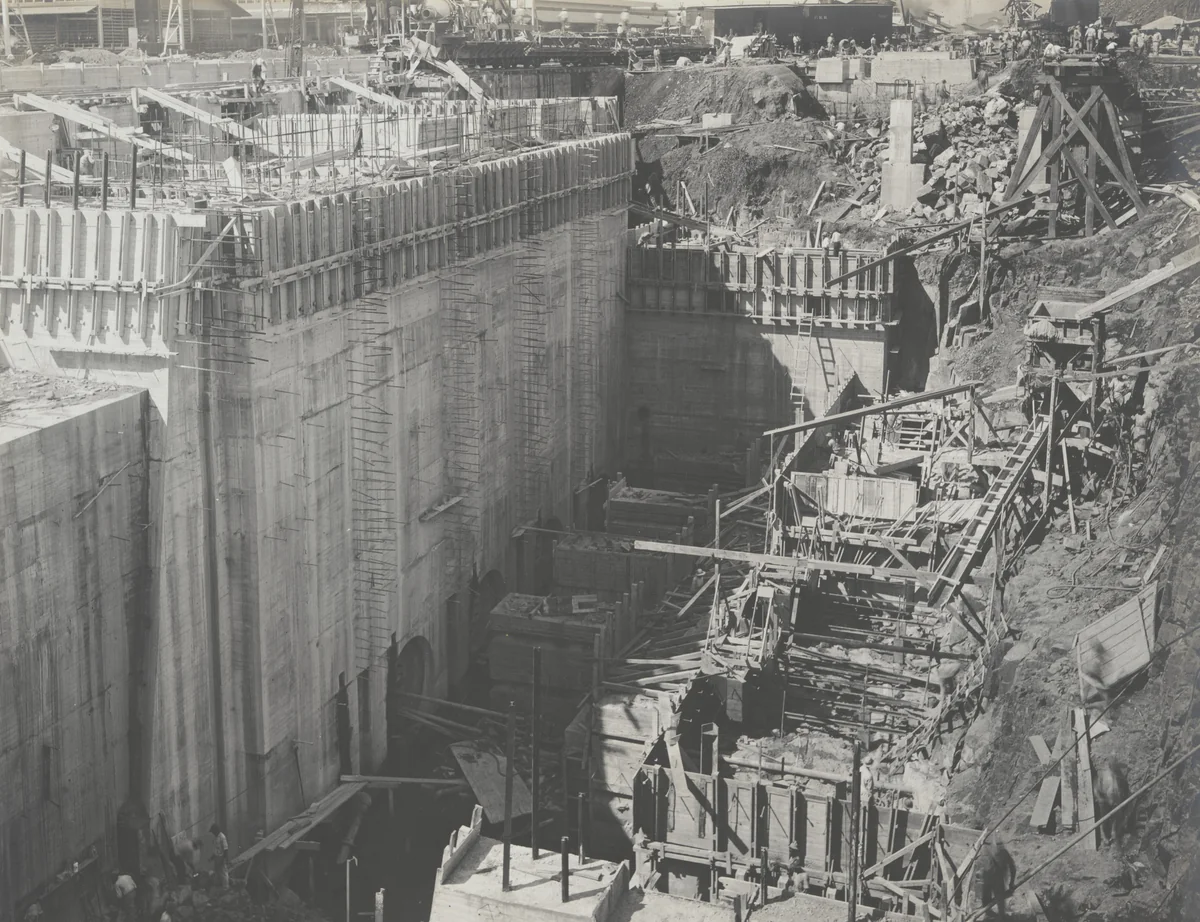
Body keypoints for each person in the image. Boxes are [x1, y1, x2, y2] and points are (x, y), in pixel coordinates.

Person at [210, 823, 229, 889]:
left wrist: (224, 859)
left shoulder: (222, 837)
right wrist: (212, 858)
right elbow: (216, 850)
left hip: (221, 857)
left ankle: (226, 887)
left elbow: (225, 849)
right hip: (216, 857)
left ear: (216, 830)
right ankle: (218, 886)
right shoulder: (216, 838)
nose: (213, 833)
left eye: (213, 832)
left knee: (223, 872)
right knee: (217, 872)